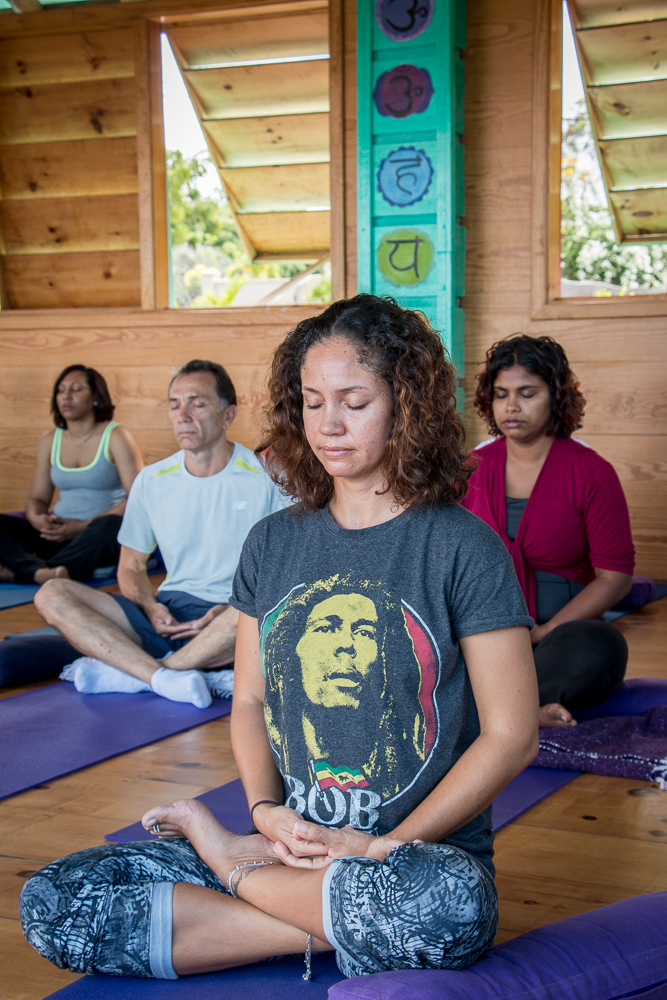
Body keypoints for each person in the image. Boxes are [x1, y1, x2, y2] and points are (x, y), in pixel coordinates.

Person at [21, 296, 539, 981]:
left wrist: (377, 848)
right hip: (286, 847)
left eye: (354, 402)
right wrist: (264, 813)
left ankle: (230, 868)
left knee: (451, 910)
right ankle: (310, 912)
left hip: (410, 860)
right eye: (312, 402)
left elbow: (511, 736)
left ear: (406, 406)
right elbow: (249, 700)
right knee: (54, 902)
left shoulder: (463, 546)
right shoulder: (272, 542)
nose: (328, 424)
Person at [34, 359, 289, 709]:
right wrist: (149, 606)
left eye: (197, 404)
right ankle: (166, 676)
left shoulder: (268, 478)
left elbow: (289, 569)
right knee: (51, 593)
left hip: (232, 618)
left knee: (261, 613)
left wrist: (228, 608)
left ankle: (141, 674)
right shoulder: (151, 480)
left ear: (228, 415)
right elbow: (130, 566)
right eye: (174, 404)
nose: (182, 415)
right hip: (166, 616)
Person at [461, 333, 634, 728]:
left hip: (558, 637)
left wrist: (543, 633)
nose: (511, 406)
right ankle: (523, 714)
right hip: (483, 633)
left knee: (598, 648)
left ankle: (481, 715)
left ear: (556, 397)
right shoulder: (469, 470)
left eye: (527, 393)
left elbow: (615, 578)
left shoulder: (592, 472)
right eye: (501, 394)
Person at [0, 365, 142, 584]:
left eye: (76, 389)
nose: (66, 396)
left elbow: (139, 497)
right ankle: (41, 571)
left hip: (95, 535)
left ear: (95, 397)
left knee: (112, 526)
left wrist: (82, 526)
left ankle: (24, 572)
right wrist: (38, 519)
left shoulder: (116, 436)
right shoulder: (49, 440)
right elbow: (37, 499)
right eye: (60, 390)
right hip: (56, 535)